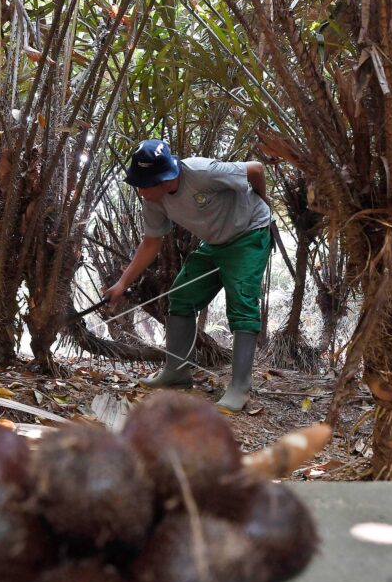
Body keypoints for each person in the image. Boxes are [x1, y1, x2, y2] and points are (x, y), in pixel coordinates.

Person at [104, 139, 272, 412]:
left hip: (249, 234)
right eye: (139, 183)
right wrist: (122, 284)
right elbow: (151, 242)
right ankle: (177, 372)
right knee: (181, 296)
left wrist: (262, 202)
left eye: (146, 183)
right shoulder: (152, 198)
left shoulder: (202, 172)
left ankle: (240, 387)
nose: (141, 190)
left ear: (166, 177)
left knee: (242, 303)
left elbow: (256, 169)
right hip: (214, 244)